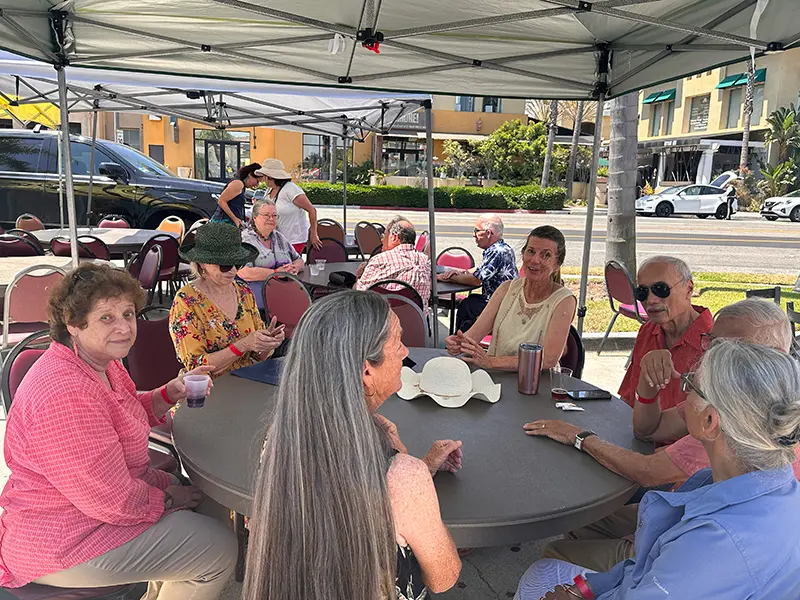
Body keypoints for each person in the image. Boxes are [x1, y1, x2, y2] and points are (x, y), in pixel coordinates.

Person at [0, 263, 236, 598]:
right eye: (107, 318)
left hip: (89, 512)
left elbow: (121, 411)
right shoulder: (66, 393)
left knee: (203, 498)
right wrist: (169, 498)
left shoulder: (101, 363)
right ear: (73, 324)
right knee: (217, 549)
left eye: (128, 314)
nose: (125, 327)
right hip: (61, 539)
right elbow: (112, 500)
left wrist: (168, 392)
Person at [525, 298, 797, 572]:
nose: (709, 357)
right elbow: (649, 429)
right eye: (713, 342)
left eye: (730, 348)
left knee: (554, 554)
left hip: (689, 542)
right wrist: (648, 385)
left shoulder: (736, 425)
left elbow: (647, 472)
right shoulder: (746, 399)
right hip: (684, 511)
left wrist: (578, 436)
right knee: (581, 521)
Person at [243, 291, 462, 600]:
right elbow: (444, 576)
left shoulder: (281, 437)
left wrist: (422, 465)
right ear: (365, 371)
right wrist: (408, 465)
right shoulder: (401, 476)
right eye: (398, 341)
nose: (404, 351)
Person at [444, 226, 575, 371]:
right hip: (497, 378)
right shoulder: (506, 289)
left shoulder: (564, 300)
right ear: (523, 253)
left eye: (546, 255)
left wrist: (491, 362)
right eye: (531, 251)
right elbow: (473, 335)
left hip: (537, 383)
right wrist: (458, 343)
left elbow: (548, 359)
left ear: (557, 264)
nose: (535, 260)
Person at [169, 221, 284, 378]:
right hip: (209, 386)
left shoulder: (244, 292)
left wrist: (267, 343)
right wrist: (241, 346)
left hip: (248, 379)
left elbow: (256, 356)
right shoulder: (187, 300)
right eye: (225, 265)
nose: (233, 271)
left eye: (238, 263)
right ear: (202, 262)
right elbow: (196, 367)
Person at [617, 256, 713, 409]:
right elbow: (628, 398)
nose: (651, 300)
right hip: (640, 429)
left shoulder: (716, 341)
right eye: (642, 292)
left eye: (661, 290)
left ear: (689, 289)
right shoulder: (648, 331)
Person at [438, 213, 517, 332]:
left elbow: (476, 280)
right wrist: (460, 272)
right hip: (501, 301)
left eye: (476, 231)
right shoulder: (501, 248)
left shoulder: (497, 251)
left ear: (488, 233)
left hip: (501, 305)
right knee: (472, 300)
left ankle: (460, 344)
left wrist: (449, 278)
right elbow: (480, 270)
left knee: (467, 306)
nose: (473, 235)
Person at [354, 215, 432, 306]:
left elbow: (359, 295)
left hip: (382, 318)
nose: (382, 239)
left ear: (394, 238)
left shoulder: (379, 260)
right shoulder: (425, 261)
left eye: (384, 235)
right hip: (416, 318)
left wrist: (359, 276)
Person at [255, 158, 321, 254]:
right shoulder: (269, 190)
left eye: (264, 176)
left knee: (289, 266)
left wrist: (313, 234)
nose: (263, 179)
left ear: (270, 177)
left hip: (294, 240)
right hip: (276, 239)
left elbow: (312, 210)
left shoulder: (291, 189)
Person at [238, 197, 304, 280]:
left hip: (284, 287)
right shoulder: (246, 239)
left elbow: (299, 260)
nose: (271, 219)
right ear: (255, 218)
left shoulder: (279, 237)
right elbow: (243, 272)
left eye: (274, 215)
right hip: (256, 290)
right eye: (266, 215)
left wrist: (294, 268)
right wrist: (275, 273)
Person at [210, 162, 263, 228]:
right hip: (222, 223)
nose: (257, 185)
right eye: (257, 181)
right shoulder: (238, 183)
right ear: (250, 175)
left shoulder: (241, 184)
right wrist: (235, 219)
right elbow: (221, 201)